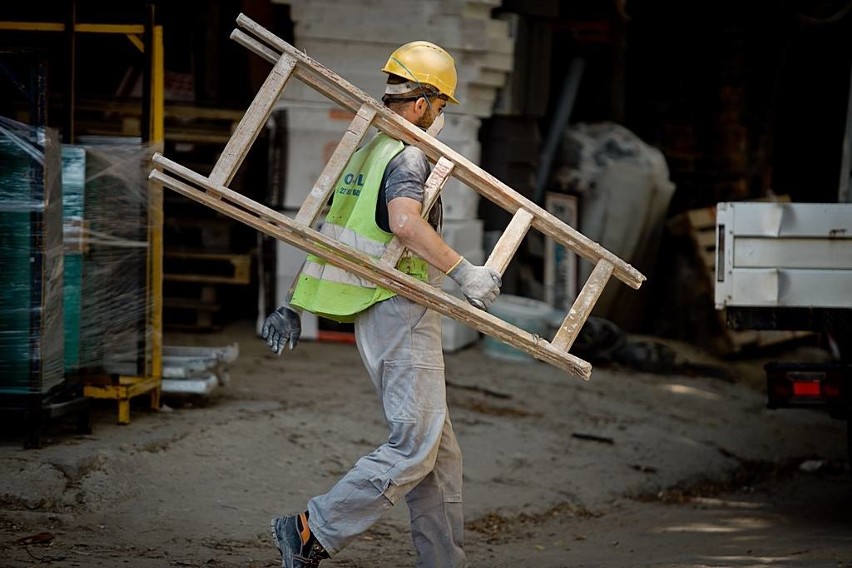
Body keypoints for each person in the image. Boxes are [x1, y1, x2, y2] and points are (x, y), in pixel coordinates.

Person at [261, 40, 502, 568]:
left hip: (380, 309)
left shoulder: (369, 148)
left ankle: (442, 562)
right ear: (422, 103)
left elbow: (333, 233)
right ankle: (311, 530)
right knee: (415, 445)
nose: (439, 118)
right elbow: (404, 223)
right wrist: (466, 274)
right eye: (440, 107)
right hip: (401, 308)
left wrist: (294, 303)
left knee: (437, 451)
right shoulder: (408, 153)